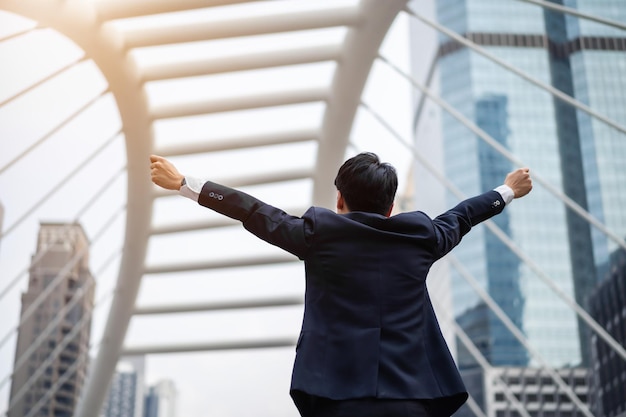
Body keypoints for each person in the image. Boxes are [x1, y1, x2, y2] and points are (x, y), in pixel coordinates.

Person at [149, 152, 532, 417]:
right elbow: (463, 216)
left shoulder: (318, 235)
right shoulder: (422, 236)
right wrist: (508, 189)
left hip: (336, 397)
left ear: (339, 198)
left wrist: (185, 183)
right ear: (391, 205)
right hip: (414, 398)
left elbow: (252, 210)